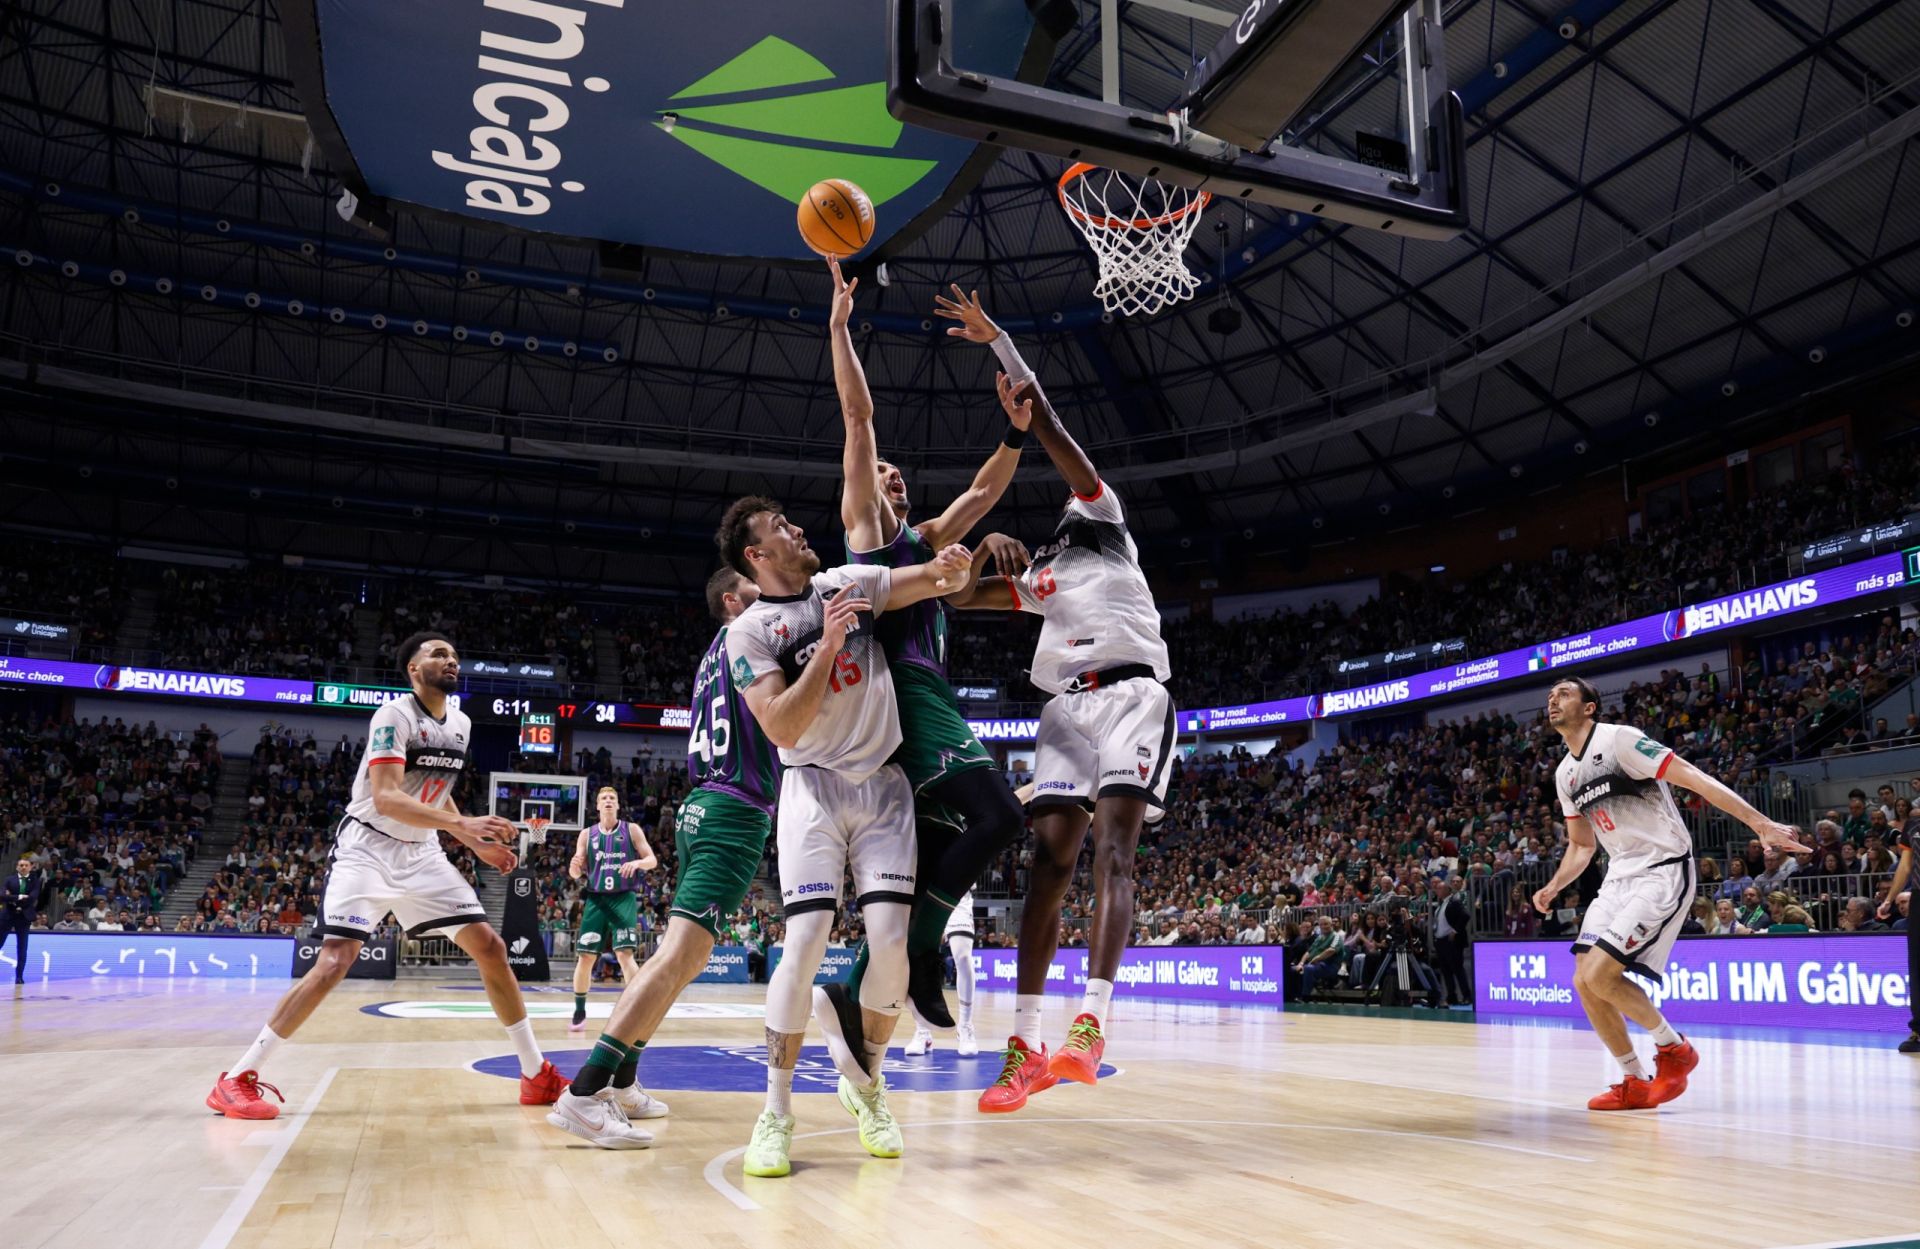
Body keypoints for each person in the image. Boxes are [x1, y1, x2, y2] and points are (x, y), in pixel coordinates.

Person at [206, 632, 569, 1119]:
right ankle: (236, 1078)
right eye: (439, 654)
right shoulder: (394, 716)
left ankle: (534, 1074)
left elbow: (437, 792)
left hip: (423, 853)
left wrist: (471, 841)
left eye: (455, 655)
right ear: (413, 669)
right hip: (368, 849)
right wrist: (463, 825)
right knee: (336, 961)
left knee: (490, 946)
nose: (451, 660)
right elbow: (387, 797)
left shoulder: (459, 722)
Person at [717, 493, 971, 1177]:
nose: (798, 528)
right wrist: (828, 644)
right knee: (803, 943)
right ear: (757, 556)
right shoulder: (750, 632)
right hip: (813, 790)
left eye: (791, 520)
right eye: (780, 528)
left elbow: (928, 581)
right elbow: (782, 727)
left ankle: (867, 1083)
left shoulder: (844, 583)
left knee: (892, 948)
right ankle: (775, 1110)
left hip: (883, 784)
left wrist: (949, 565)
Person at [947, 358, 1175, 1113]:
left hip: (1132, 692)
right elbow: (951, 596)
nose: (1071, 514)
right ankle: (1025, 1043)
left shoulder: (1109, 526)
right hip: (1066, 710)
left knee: (1114, 852)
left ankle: (1092, 1023)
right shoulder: (1044, 572)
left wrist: (1013, 370)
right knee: (1046, 864)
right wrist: (985, 546)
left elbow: (1052, 427)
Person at [835, 267, 1030, 1030]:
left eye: (899, 474)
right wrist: (839, 327)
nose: (894, 477)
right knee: (1003, 817)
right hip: (909, 699)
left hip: (928, 700)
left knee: (930, 858)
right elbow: (858, 418)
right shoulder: (867, 533)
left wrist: (1014, 428)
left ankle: (856, 991)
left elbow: (981, 495)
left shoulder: (922, 540)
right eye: (884, 473)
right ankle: (921, 955)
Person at [547, 568, 781, 1149]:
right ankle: (585, 1091)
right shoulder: (753, 630)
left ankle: (624, 1078)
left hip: (703, 804)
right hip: (732, 809)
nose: (767, 590)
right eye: (754, 583)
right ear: (732, 598)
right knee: (676, 956)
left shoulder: (715, 652)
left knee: (687, 960)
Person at [1531, 675, 1806, 1112]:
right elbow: (1582, 845)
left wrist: (1760, 824)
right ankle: (1634, 1080)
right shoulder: (1565, 773)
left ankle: (1674, 1049)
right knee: (1583, 981)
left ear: (1589, 708)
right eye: (1550, 696)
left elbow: (1692, 778)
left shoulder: (1620, 741)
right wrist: (1553, 885)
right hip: (1618, 877)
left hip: (1662, 869)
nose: (1553, 700)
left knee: (1602, 974)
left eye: (1564, 693)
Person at [564, 788, 659, 1034]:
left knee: (625, 955)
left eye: (612, 799)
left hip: (623, 898)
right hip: (596, 900)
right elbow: (576, 872)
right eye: (603, 799)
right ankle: (579, 1009)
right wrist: (574, 867)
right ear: (597, 806)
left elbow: (652, 860)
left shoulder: (632, 830)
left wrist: (637, 862)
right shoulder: (587, 834)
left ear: (617, 805)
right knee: (585, 957)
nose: (608, 801)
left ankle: (637, 1009)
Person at [903, 888, 982, 1056]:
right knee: (920, 956)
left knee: (962, 956)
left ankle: (965, 1027)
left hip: (958, 892)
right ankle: (923, 1031)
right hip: (927, 893)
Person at [1878, 818, 1918, 1053]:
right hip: (1919, 897)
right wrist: (1889, 899)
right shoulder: (1914, 826)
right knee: (1917, 965)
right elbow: (1905, 866)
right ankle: (1918, 1030)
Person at [4, 856, 50, 983]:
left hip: (24, 917)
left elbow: (32, 898)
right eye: (21, 865)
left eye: (26, 865)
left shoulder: (35, 881)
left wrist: (12, 898)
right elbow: (2, 896)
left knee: (22, 947)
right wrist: (19, 896)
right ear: (17, 867)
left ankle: (19, 976)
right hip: (7, 915)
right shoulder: (9, 879)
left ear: (30, 867)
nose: (23, 867)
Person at [1429, 879, 1471, 1005]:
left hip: (1451, 942)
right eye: (1436, 889)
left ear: (1447, 890)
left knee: (1458, 969)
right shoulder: (1441, 904)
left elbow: (1465, 915)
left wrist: (1455, 930)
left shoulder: (1454, 901)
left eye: (1440, 888)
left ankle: (1467, 996)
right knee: (1446, 971)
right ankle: (1451, 996)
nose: (1437, 891)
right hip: (1441, 942)